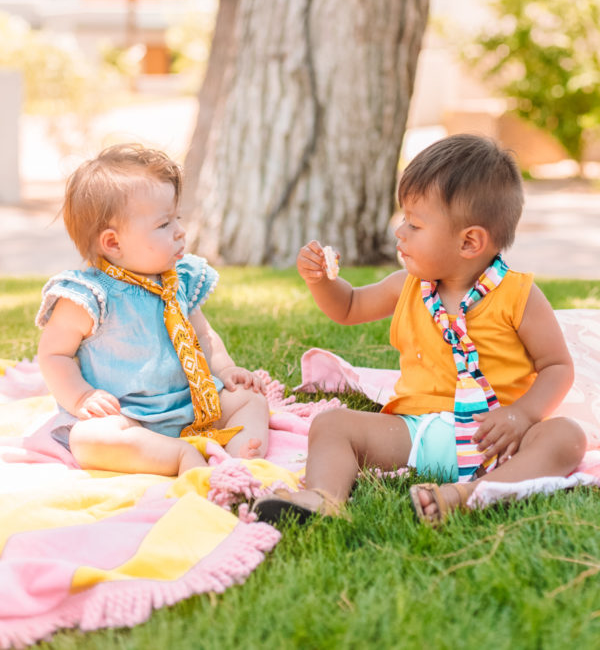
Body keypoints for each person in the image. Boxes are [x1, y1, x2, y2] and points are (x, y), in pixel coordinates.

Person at [253, 133, 586, 525]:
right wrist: (321, 282)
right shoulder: (406, 285)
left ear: (469, 242)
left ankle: (466, 496)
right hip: (415, 432)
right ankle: (323, 497)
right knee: (331, 424)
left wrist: (522, 415)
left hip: (495, 437)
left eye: (413, 224)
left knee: (567, 437)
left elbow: (557, 366)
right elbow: (349, 306)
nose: (400, 233)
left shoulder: (520, 295)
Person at [36, 143, 269, 477]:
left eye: (177, 218)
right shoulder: (88, 296)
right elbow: (53, 355)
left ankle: (236, 460)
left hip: (191, 404)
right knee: (89, 439)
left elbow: (203, 334)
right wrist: (82, 396)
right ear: (113, 243)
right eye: (163, 224)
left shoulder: (180, 280)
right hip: (127, 414)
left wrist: (226, 369)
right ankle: (176, 455)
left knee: (250, 398)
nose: (180, 230)